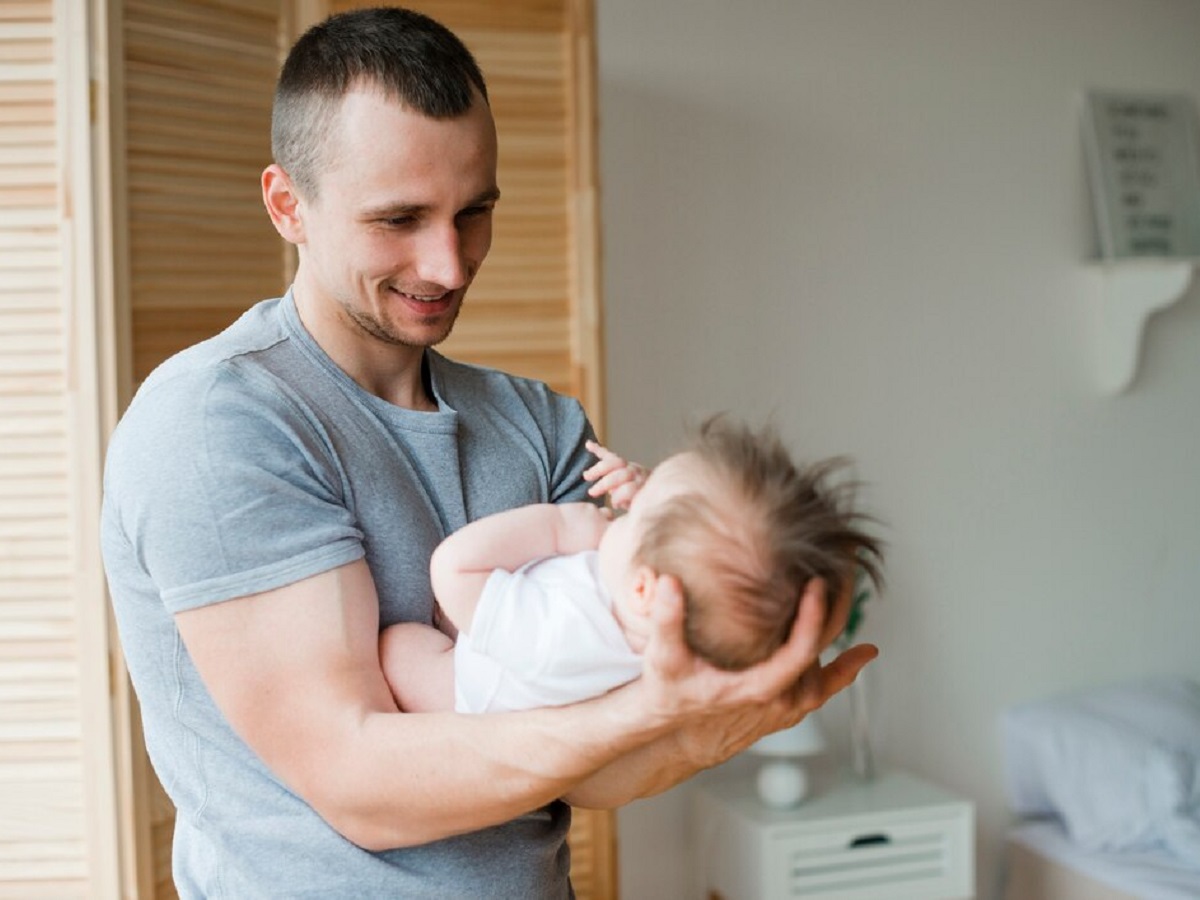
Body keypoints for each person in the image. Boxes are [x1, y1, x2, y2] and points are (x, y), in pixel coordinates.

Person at [99, 7, 878, 898]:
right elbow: (358, 784)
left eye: (473, 212)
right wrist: (657, 711)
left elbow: (594, 771)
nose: (449, 264)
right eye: (399, 219)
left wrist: (706, 718)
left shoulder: (541, 424)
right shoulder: (216, 421)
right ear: (289, 206)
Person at [383, 418, 883, 716]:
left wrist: (561, 526)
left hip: (471, 692)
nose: (616, 510)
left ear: (644, 590)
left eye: (633, 512)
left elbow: (454, 568)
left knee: (400, 646)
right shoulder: (663, 626)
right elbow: (674, 537)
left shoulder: (564, 634)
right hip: (510, 633)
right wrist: (645, 493)